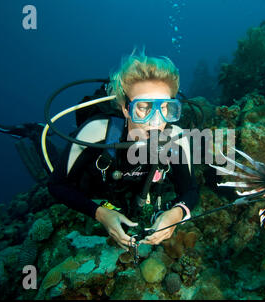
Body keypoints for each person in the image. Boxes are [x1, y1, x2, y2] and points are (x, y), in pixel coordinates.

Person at [47, 52, 199, 249]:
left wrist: (177, 213)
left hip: (132, 190)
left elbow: (190, 190)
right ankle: (33, 134)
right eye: (143, 108)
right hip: (94, 186)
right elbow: (57, 185)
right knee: (48, 165)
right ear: (125, 108)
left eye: (165, 108)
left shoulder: (176, 138)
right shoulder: (96, 131)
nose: (156, 120)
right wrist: (99, 213)